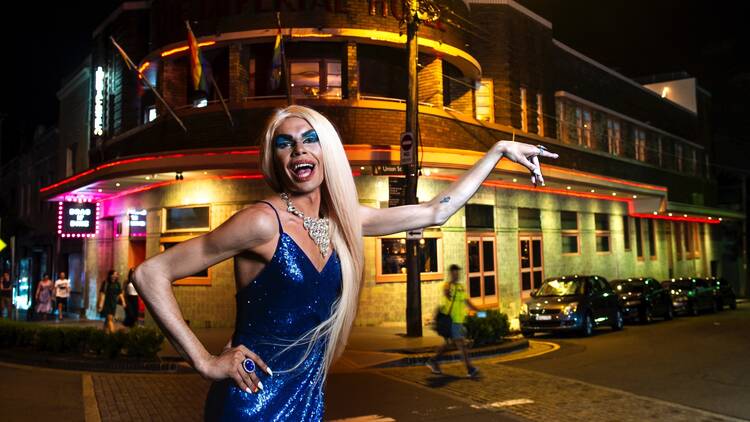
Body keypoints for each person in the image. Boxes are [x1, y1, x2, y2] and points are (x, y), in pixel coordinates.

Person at [133, 105, 557, 421]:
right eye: (286, 142)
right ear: (276, 158)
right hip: (251, 403)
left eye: (309, 138)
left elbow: (434, 211)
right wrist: (206, 362)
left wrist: (497, 150)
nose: (299, 149)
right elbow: (150, 273)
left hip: (307, 401)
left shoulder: (342, 224)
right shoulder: (262, 222)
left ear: (326, 150)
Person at [426, 264, 481, 377]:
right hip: (452, 321)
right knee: (461, 344)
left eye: (458, 273)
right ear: (451, 274)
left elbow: (467, 302)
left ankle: (433, 361)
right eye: (454, 273)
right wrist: (448, 291)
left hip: (458, 321)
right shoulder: (447, 286)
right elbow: (446, 293)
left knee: (449, 344)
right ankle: (470, 369)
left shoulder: (461, 287)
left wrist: (482, 314)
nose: (456, 275)